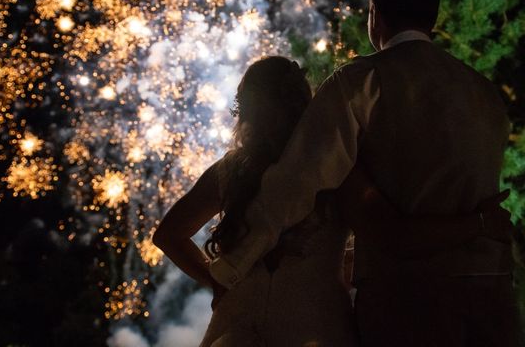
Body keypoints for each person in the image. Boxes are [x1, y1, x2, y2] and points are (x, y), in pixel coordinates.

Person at [206, 0, 522, 346]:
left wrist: (235, 264)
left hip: (408, 297)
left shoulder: (360, 81)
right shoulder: (485, 94)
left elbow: (298, 179)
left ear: (375, 14)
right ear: (432, 18)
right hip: (492, 289)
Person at [153, 54, 513, 345]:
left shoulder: (230, 170)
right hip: (314, 325)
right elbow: (394, 236)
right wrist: (477, 223)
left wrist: (215, 280)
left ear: (246, 110)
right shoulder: (336, 170)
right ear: (305, 102)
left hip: (238, 325)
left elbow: (168, 234)